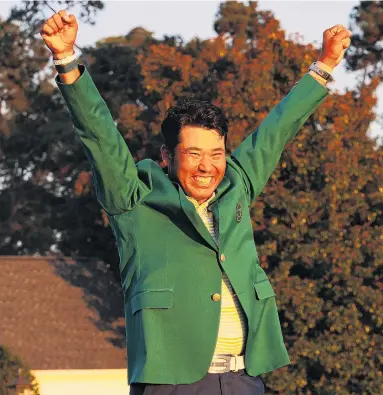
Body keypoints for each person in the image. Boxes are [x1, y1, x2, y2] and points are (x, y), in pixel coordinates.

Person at [41, 10, 351, 395]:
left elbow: (277, 129)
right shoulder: (134, 201)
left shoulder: (237, 184)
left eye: (216, 153)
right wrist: (68, 61)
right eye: (193, 153)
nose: (208, 166)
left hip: (244, 380)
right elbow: (100, 137)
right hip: (173, 383)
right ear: (168, 156)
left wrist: (325, 65)